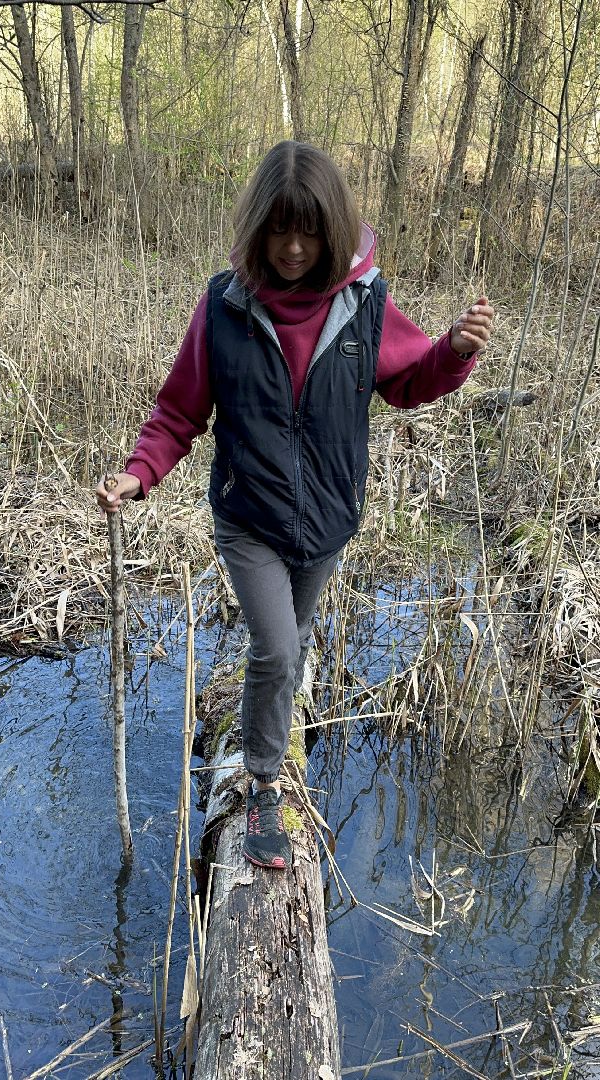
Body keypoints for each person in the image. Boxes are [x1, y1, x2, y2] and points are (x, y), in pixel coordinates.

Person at [96, 141, 493, 871]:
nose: (293, 247)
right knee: (276, 648)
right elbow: (180, 413)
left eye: (309, 231)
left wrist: (454, 352)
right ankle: (261, 787)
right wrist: (137, 474)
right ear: (258, 228)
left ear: (331, 230)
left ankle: (270, 733)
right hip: (249, 518)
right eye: (279, 229)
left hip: (330, 520)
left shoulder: (365, 302)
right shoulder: (224, 306)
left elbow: (408, 383)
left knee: (296, 642)